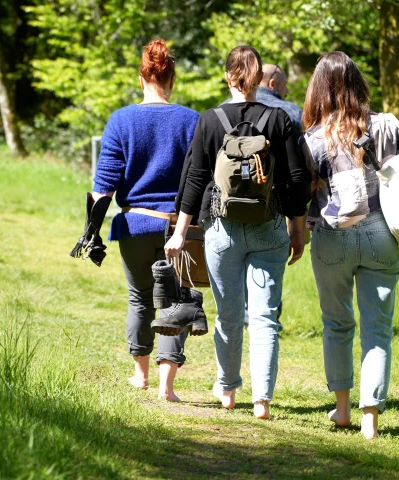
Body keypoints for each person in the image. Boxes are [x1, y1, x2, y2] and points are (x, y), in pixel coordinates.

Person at [165, 45, 309, 419]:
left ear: (228, 76)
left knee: (229, 315)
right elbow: (295, 179)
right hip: (270, 226)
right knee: (264, 317)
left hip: (221, 231)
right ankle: (262, 400)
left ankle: (228, 391)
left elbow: (195, 178)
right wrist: (297, 229)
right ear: (260, 79)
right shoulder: (280, 120)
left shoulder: (210, 120)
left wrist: (180, 232)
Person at [301, 51, 399, 439]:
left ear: (319, 88)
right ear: (357, 83)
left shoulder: (311, 139)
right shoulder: (385, 125)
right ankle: (371, 421)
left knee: (337, 323)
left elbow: (302, 195)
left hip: (331, 235)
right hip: (381, 232)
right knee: (377, 329)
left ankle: (343, 410)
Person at [92, 39, 200, 402]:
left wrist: (90, 232)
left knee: (139, 298)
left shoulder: (121, 120)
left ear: (143, 78)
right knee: (176, 299)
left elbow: (102, 187)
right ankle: (167, 387)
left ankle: (140, 376)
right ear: (171, 80)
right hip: (177, 227)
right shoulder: (191, 120)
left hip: (134, 225)